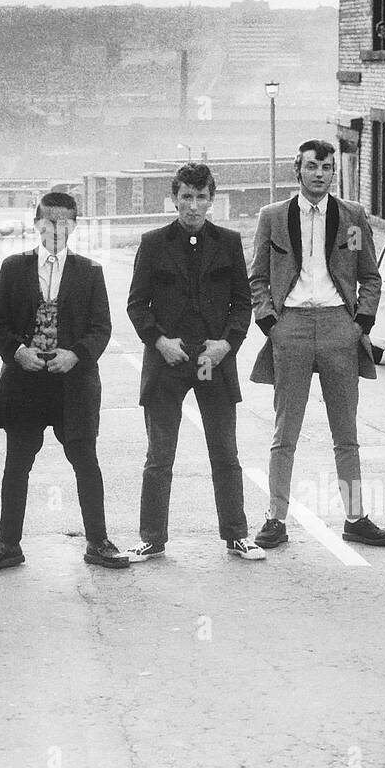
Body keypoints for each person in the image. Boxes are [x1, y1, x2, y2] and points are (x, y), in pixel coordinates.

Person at [248, 139, 385, 547]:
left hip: (338, 327)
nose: (319, 174)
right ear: (298, 170)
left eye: (326, 167)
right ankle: (275, 518)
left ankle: (355, 516)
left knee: (345, 432)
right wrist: (271, 323)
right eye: (311, 166)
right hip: (289, 326)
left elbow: (370, 276)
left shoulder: (351, 217)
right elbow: (257, 276)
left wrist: (359, 324)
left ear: (334, 172)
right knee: (285, 431)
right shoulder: (273, 217)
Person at [0, 192, 128, 572]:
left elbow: (101, 328)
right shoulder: (13, 268)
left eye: (65, 222)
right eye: (49, 221)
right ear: (36, 223)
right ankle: (8, 544)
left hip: (73, 386)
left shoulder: (90, 271)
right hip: (25, 385)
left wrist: (74, 355)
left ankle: (98, 541)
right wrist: (17, 352)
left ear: (75, 225)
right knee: (17, 465)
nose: (56, 228)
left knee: (85, 462)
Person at [125, 163, 264, 561]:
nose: (193, 206)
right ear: (174, 198)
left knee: (224, 452)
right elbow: (137, 304)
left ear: (211, 201)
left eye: (201, 197)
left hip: (212, 362)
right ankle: (152, 538)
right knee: (159, 457)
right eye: (186, 197)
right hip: (168, 361)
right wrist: (159, 341)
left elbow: (242, 303)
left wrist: (226, 345)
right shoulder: (153, 243)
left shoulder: (229, 241)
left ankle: (237, 535)